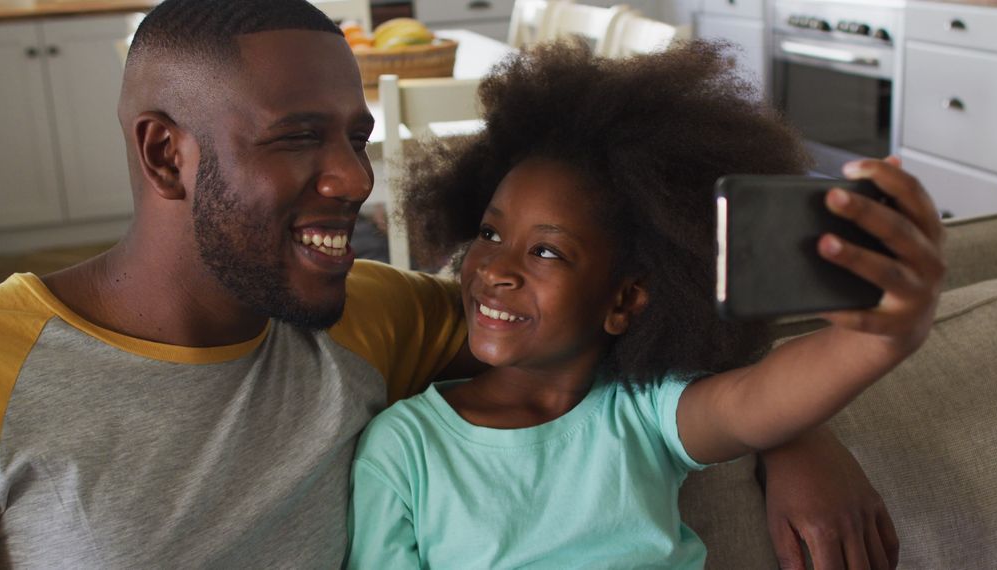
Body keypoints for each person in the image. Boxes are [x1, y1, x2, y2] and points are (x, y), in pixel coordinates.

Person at [0, 1, 900, 567]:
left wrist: (799, 433)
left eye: (355, 135)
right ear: (164, 152)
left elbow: (615, 329)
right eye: (299, 135)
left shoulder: (366, 315)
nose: (354, 179)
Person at [346, 40, 944, 569]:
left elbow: (756, 402)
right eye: (490, 233)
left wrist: (883, 336)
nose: (496, 270)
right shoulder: (405, 448)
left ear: (626, 299)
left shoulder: (640, 414)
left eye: (548, 251)